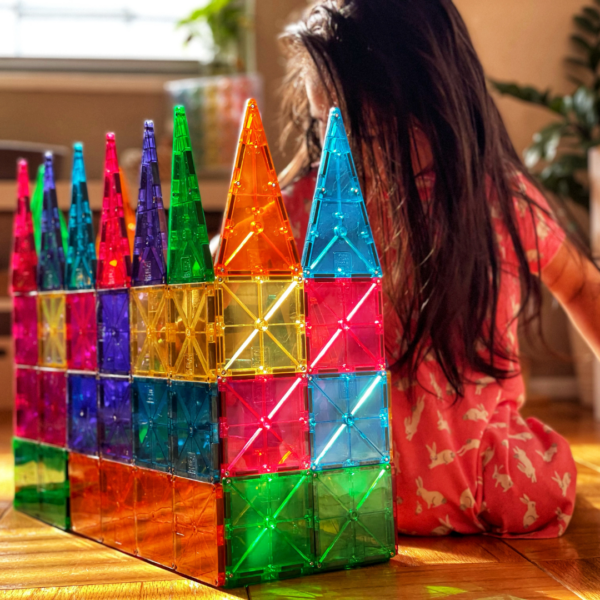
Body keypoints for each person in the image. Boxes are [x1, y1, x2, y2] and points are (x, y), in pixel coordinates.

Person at [279, 0, 600, 538]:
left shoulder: (497, 200)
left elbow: (583, 286)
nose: (344, 150)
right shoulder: (311, 203)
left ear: (430, 100)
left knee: (537, 485)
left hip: (482, 477)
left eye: (367, 131)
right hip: (343, 477)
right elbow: (228, 265)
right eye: (323, 126)